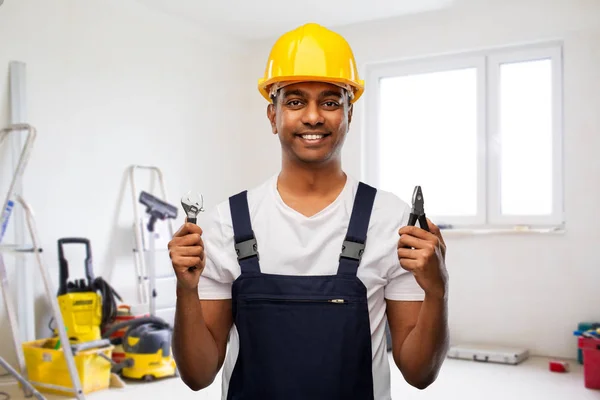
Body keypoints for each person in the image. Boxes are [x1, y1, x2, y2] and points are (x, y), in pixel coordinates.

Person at [168, 22, 449, 400]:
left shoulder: (393, 222)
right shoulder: (225, 224)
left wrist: (437, 290)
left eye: (331, 102)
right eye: (296, 101)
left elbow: (419, 373)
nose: (313, 116)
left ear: (351, 113)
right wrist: (186, 291)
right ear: (273, 116)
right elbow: (198, 375)